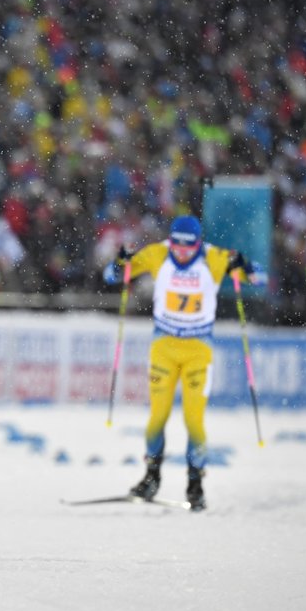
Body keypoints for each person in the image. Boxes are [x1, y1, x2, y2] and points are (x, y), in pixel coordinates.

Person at [103, 215, 263, 511]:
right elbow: (111, 277)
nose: (181, 253)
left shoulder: (215, 258)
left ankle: (195, 483)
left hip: (198, 350)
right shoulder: (157, 253)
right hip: (164, 347)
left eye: (188, 248)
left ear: (198, 244)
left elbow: (261, 279)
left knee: (193, 420)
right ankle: (151, 478)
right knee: (157, 418)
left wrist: (247, 265)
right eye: (177, 245)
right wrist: (120, 262)